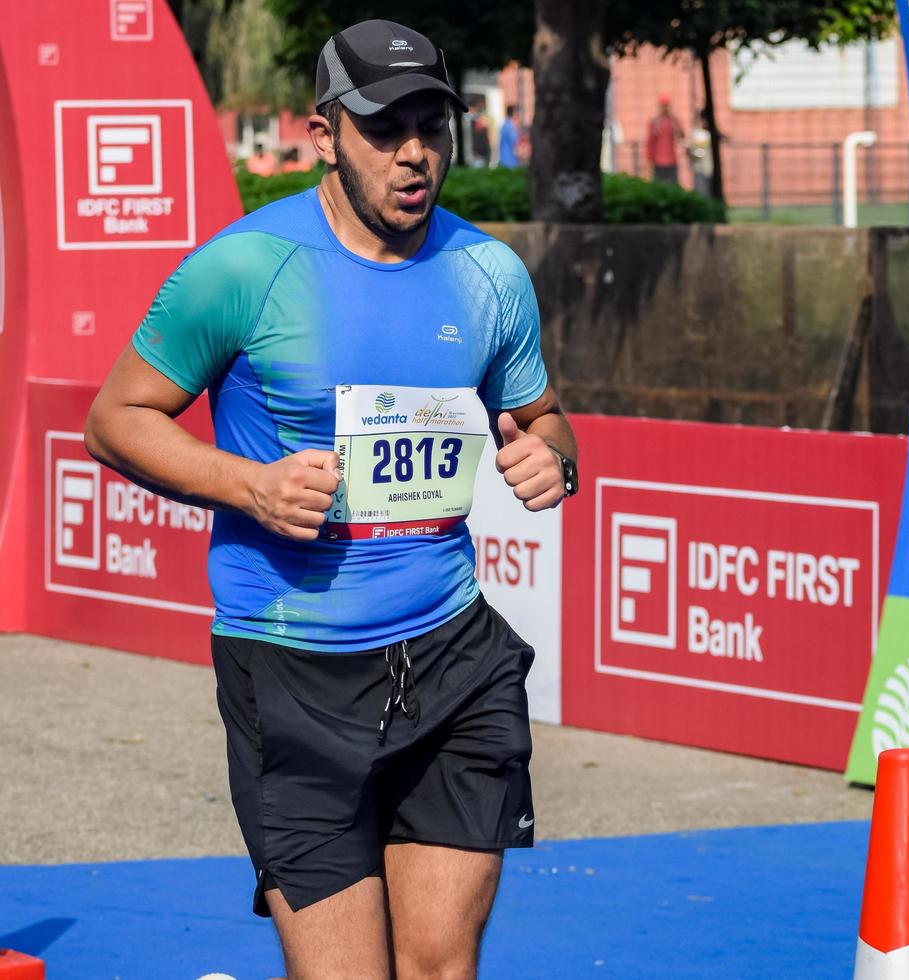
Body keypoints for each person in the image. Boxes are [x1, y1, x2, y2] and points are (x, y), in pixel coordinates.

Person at [85, 17, 578, 980]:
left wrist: (552, 461)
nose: (414, 153)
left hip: (451, 657)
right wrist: (249, 486)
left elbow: (547, 419)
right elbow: (116, 419)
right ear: (323, 135)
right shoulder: (245, 268)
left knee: (440, 967)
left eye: (432, 126)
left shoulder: (488, 275)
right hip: (292, 672)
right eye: (385, 127)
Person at [645, 94, 684, 184]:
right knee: (658, 185)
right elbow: (650, 142)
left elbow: (682, 135)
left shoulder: (674, 121)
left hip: (672, 160)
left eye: (666, 106)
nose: (665, 108)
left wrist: (677, 127)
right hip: (658, 161)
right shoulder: (655, 122)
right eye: (663, 106)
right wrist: (649, 160)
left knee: (673, 185)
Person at [687, 108, 714, 197]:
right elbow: (690, 151)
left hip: (709, 168)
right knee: (701, 192)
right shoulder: (696, 134)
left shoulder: (710, 134)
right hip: (699, 168)